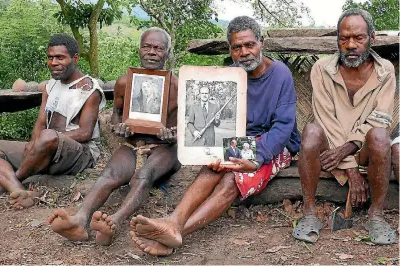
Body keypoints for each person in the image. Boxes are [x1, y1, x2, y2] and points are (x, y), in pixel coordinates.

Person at [129, 16, 301, 256]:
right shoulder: (227, 76)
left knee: (232, 178)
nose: (244, 52)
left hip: (272, 143)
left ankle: (176, 232)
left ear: (261, 42)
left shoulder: (281, 74)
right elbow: (214, 122)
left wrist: (258, 157)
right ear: (230, 50)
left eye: (250, 44)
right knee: (214, 167)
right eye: (236, 47)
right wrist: (207, 149)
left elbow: (283, 126)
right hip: (239, 141)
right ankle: (173, 221)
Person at [48, 27, 181, 246]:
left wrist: (172, 135)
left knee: (144, 176)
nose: (151, 52)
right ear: (139, 50)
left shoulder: (177, 86)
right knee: (108, 175)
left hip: (166, 148)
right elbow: (118, 114)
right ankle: (79, 220)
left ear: (167, 52)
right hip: (132, 143)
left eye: (158, 48)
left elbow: (188, 127)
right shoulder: (125, 82)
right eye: (146, 46)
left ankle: (115, 222)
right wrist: (119, 126)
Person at [293, 9, 396, 245]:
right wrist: (350, 170)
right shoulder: (321, 69)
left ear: (372, 38)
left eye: (358, 38)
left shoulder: (385, 71)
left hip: (363, 150)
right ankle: (309, 213)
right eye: (344, 38)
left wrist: (348, 151)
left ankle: (376, 215)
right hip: (332, 148)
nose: (350, 45)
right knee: (311, 131)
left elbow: (381, 119)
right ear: (337, 39)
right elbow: (325, 119)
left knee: (380, 136)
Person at [0, 34, 105, 210]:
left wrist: (43, 141)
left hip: (79, 154)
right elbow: (41, 121)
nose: (54, 62)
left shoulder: (89, 89)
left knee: (48, 136)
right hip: (46, 148)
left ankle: (9, 181)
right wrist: (34, 144)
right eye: (50, 57)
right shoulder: (50, 86)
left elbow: (85, 132)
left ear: (75, 58)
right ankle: (20, 190)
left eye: (60, 57)